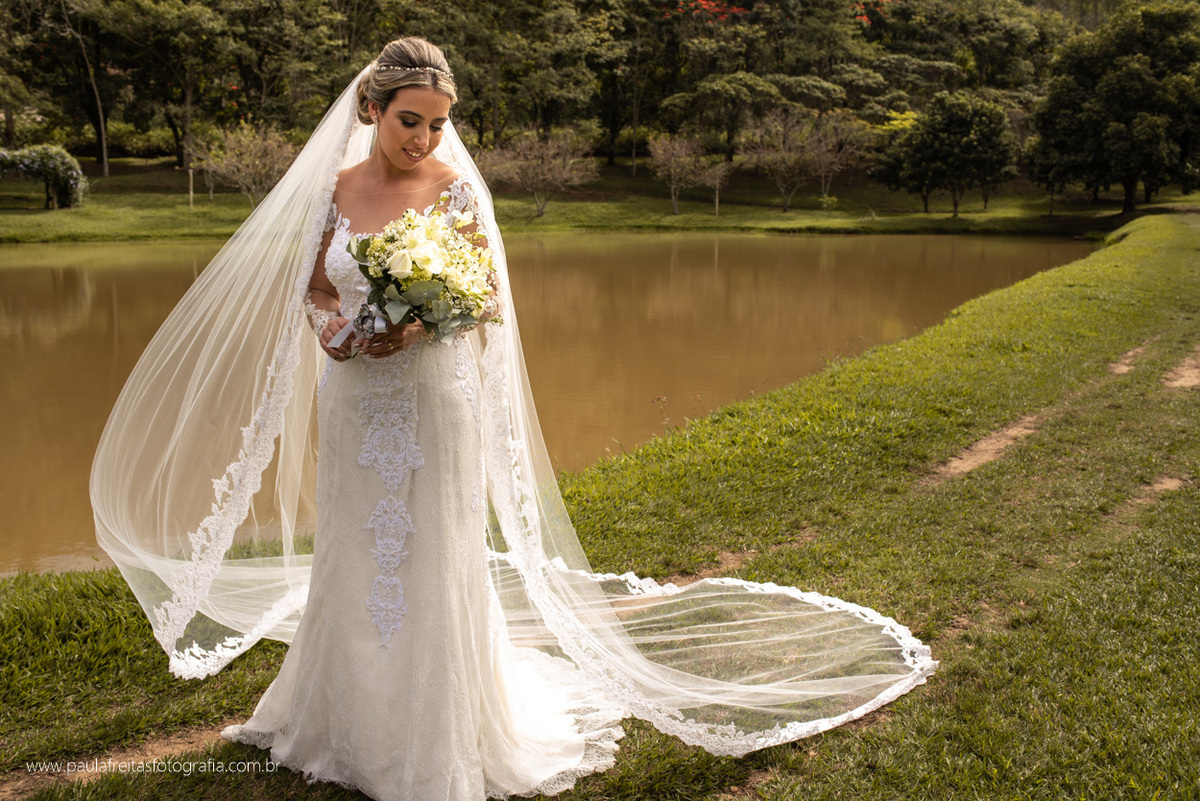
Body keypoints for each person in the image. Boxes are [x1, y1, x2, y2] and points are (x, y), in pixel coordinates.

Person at [92, 37, 936, 801]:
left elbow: (485, 296)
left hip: (435, 396)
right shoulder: (337, 189)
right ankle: (341, 713)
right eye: (409, 121)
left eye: (436, 123)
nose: (423, 139)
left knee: (432, 546)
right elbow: (314, 287)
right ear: (373, 110)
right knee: (359, 543)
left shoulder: (457, 190)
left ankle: (435, 731)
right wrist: (340, 331)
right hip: (354, 399)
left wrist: (423, 317)